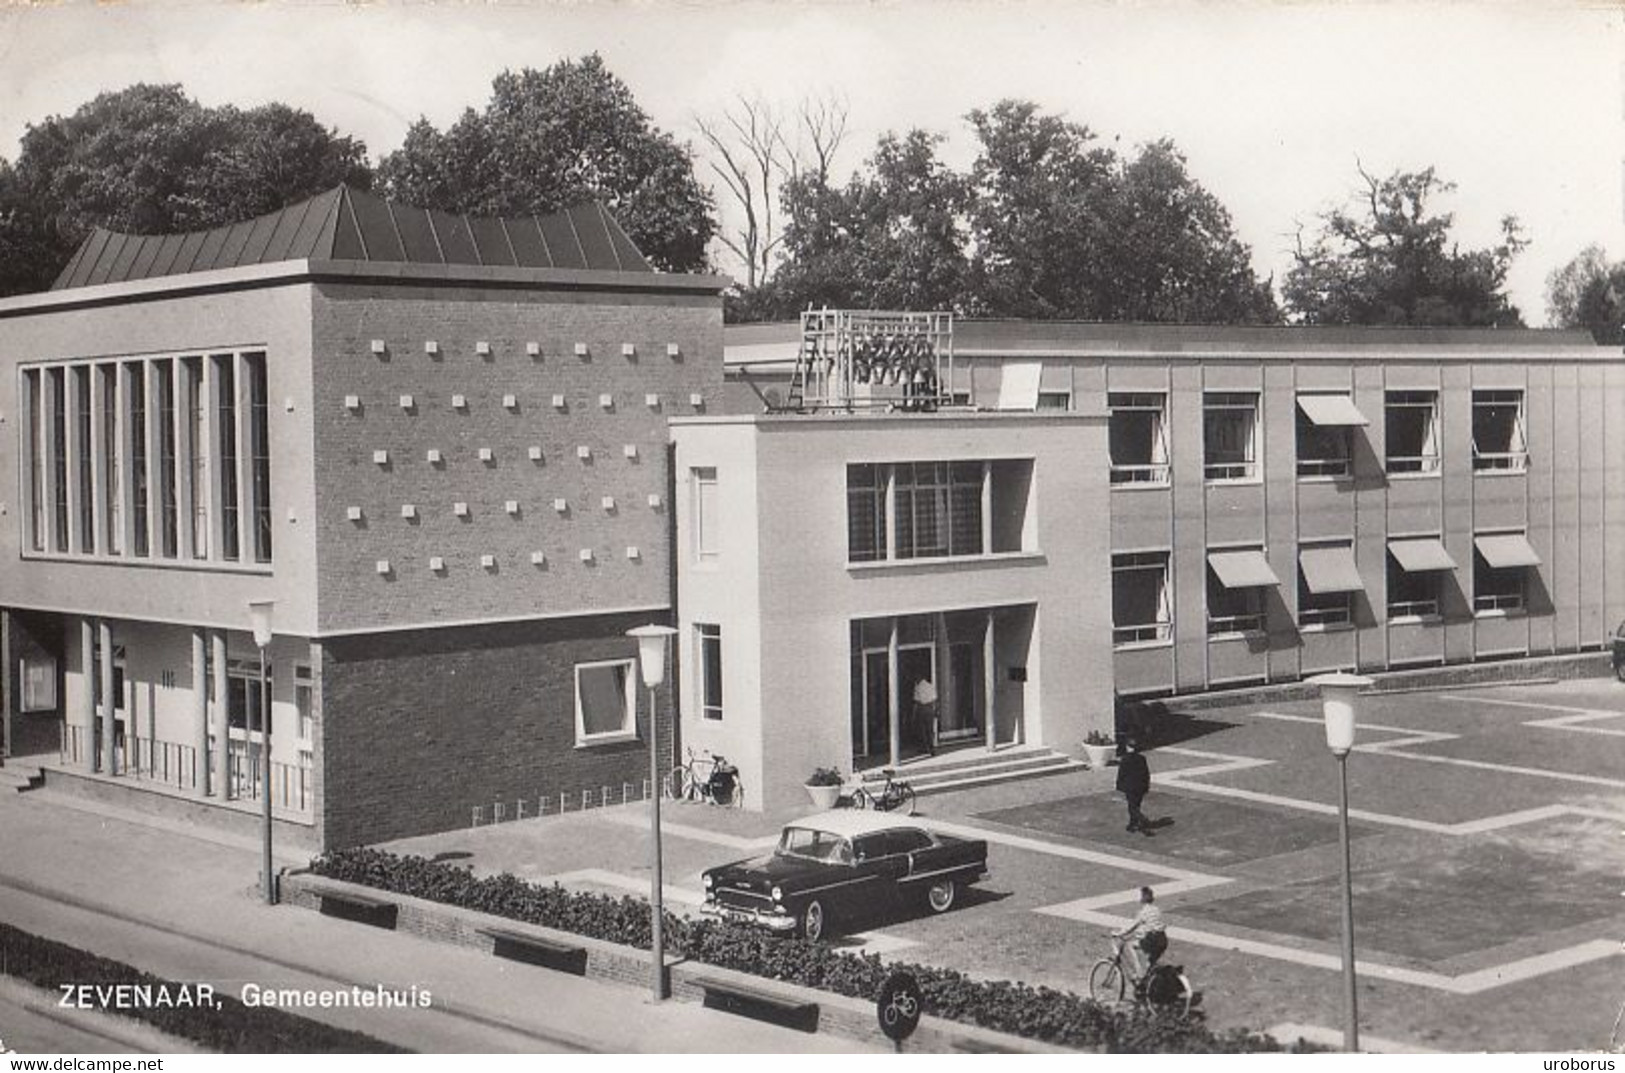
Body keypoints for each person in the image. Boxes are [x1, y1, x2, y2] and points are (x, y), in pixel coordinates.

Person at [1114, 886, 1168, 983]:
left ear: (1142, 898)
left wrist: (1119, 933)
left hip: (1152, 939)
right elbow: (1154, 924)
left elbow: (1132, 926)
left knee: (1130, 946)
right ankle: (1147, 979)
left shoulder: (1143, 912)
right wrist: (1142, 931)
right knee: (1151, 962)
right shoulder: (1156, 909)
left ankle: (1139, 974)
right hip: (1162, 939)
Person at [1115, 736, 1151, 834]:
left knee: (1132, 807)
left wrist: (1119, 784)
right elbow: (1146, 773)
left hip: (1130, 787)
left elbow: (1122, 773)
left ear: (1128, 747)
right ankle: (1132, 824)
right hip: (1140, 786)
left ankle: (1141, 820)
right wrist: (1146, 786)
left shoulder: (1125, 759)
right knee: (1136, 805)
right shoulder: (1142, 758)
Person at [911, 676, 938, 757]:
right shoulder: (930, 685)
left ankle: (924, 748)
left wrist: (913, 714)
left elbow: (916, 701)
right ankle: (932, 748)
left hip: (922, 709)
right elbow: (934, 700)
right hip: (930, 709)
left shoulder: (917, 687)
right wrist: (935, 711)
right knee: (929, 730)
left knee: (922, 730)